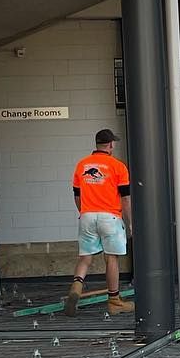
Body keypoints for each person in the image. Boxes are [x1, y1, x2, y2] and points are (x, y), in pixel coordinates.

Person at [69, 128, 133, 312]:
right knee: (110, 258)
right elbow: (125, 198)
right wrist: (130, 222)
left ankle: (76, 287)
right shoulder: (118, 166)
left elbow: (76, 195)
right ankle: (114, 302)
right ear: (111, 145)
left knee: (85, 258)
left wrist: (85, 212)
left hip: (87, 215)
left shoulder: (81, 165)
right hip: (110, 217)